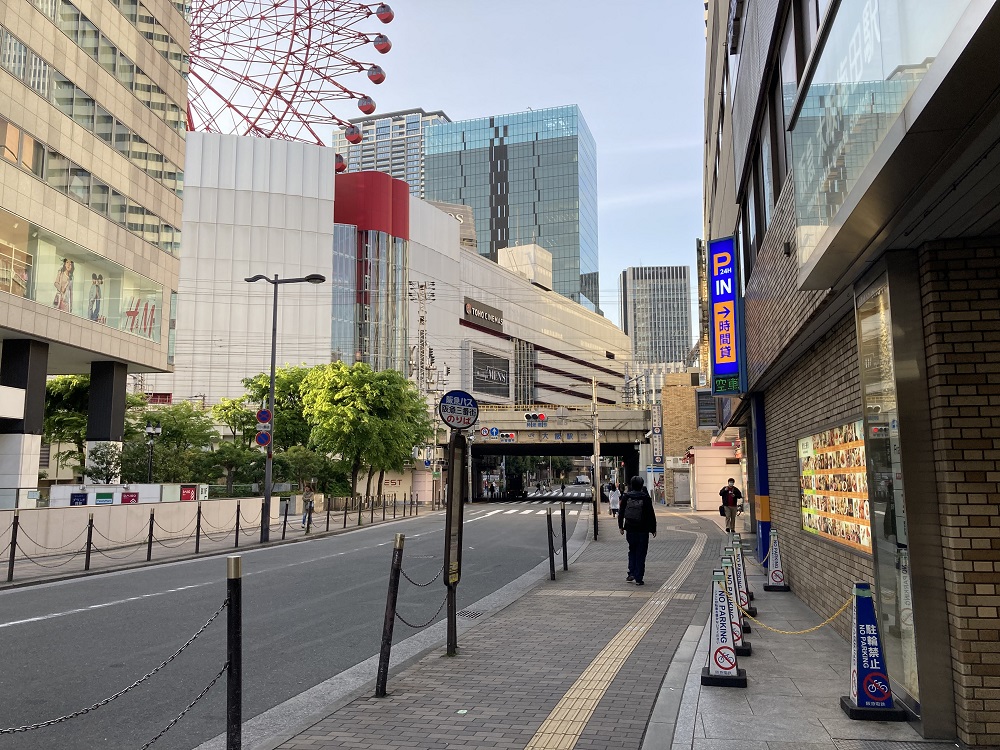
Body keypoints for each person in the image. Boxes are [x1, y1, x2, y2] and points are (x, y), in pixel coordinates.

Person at [619, 476, 656, 585]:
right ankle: (639, 578)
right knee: (641, 553)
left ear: (631, 485)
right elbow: (651, 514)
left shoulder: (626, 496)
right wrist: (653, 528)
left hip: (630, 528)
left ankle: (631, 573)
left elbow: (621, 512)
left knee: (632, 550)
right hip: (643, 530)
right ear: (641, 485)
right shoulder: (645, 498)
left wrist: (620, 526)